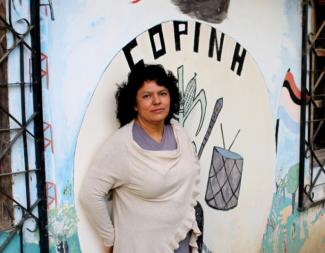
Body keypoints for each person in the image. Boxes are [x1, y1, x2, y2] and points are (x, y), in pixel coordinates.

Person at [79, 62, 201, 253]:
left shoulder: (180, 135)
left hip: (180, 244)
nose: (157, 101)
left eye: (162, 93)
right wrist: (108, 238)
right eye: (147, 96)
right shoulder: (123, 145)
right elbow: (90, 194)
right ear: (134, 104)